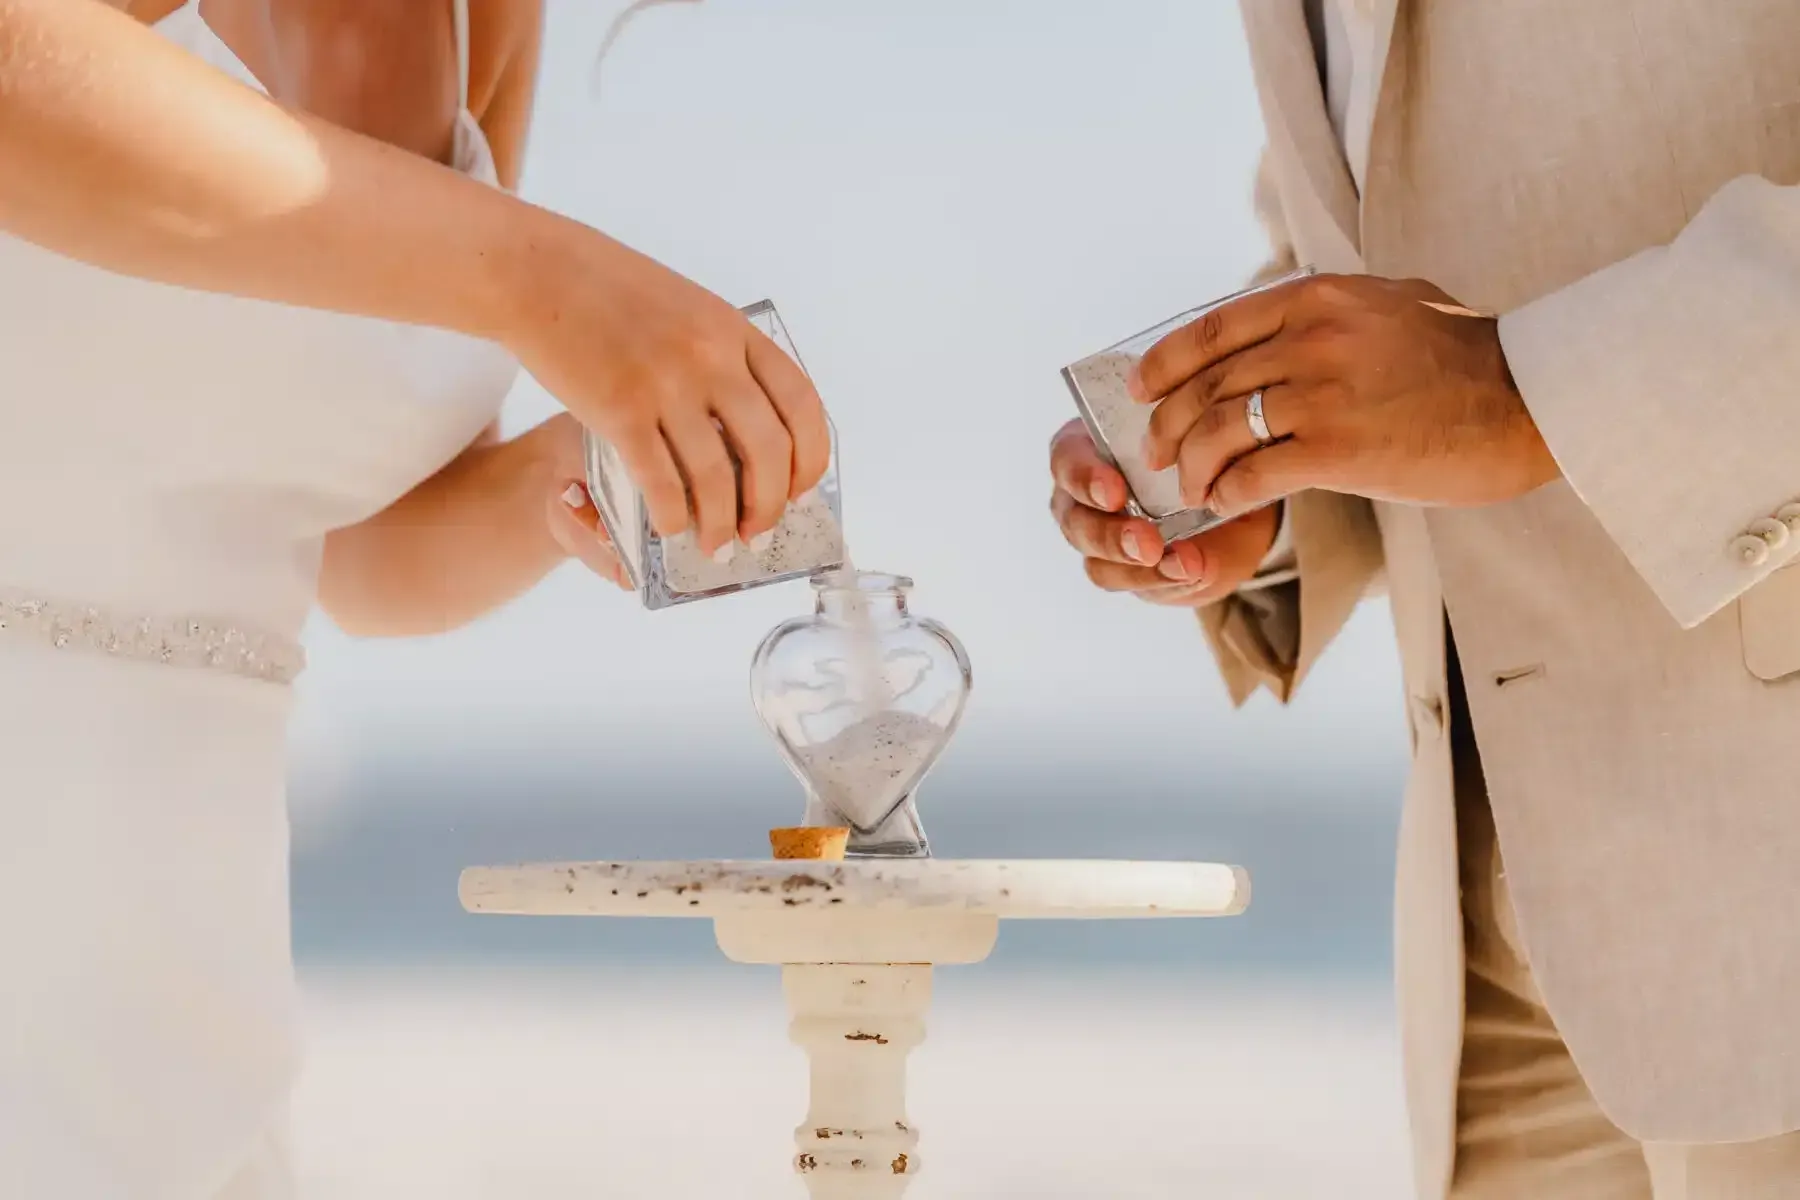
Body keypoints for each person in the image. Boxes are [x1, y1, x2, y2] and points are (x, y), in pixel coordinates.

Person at [0, 1, 829, 1195]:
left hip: (188, 982)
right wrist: (552, 279)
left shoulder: (486, 18)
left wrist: (565, 471)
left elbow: (362, 557)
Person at [1050, 1, 1800, 1197]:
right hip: (1497, 925)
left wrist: (1518, 387)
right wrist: (1267, 454)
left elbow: (1485, 364)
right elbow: (1391, 208)